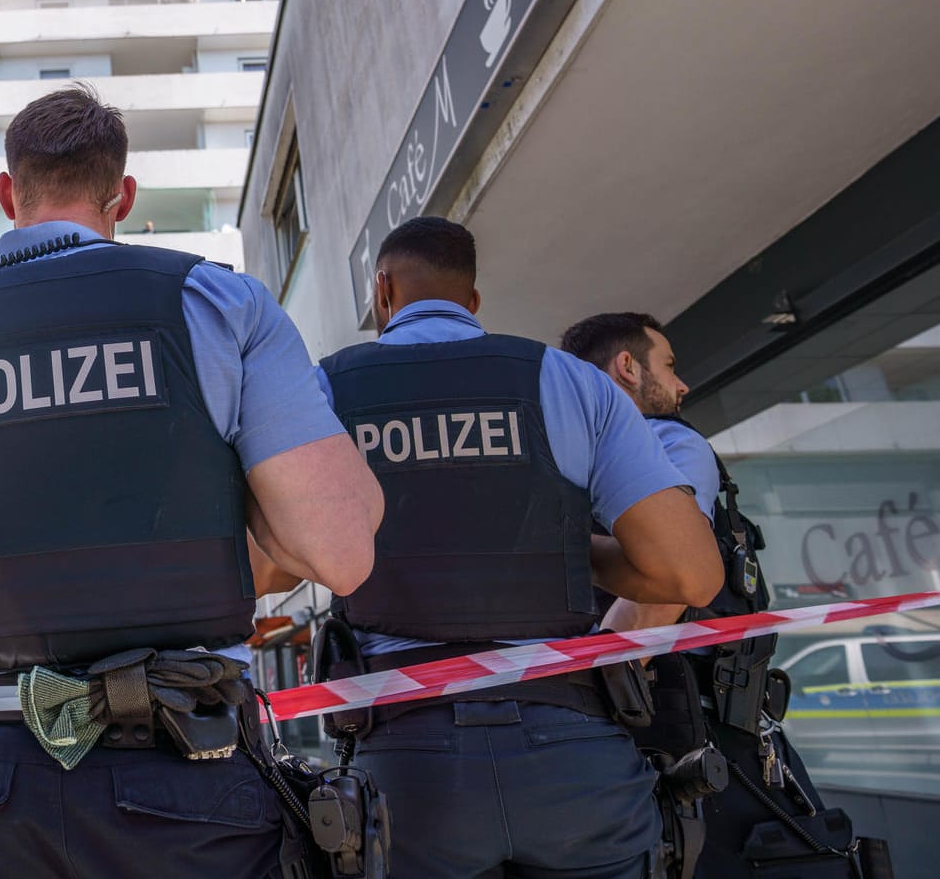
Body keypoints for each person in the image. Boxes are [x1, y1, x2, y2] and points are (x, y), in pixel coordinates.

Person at [0, 85, 384, 879]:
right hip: (192, 780)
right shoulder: (222, 306)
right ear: (123, 196)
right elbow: (340, 552)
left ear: (7, 195)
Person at [299, 216, 722, 879]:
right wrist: (555, 546)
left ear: (382, 291)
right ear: (473, 301)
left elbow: (269, 564)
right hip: (576, 756)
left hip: (411, 769)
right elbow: (690, 575)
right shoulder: (572, 383)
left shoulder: (322, 390)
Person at [561, 313, 864, 877]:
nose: (682, 386)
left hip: (670, 738)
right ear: (628, 368)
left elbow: (651, 594)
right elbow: (668, 584)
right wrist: (595, 688)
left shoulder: (588, 463)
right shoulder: (662, 441)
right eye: (670, 366)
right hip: (696, 741)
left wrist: (579, 700)